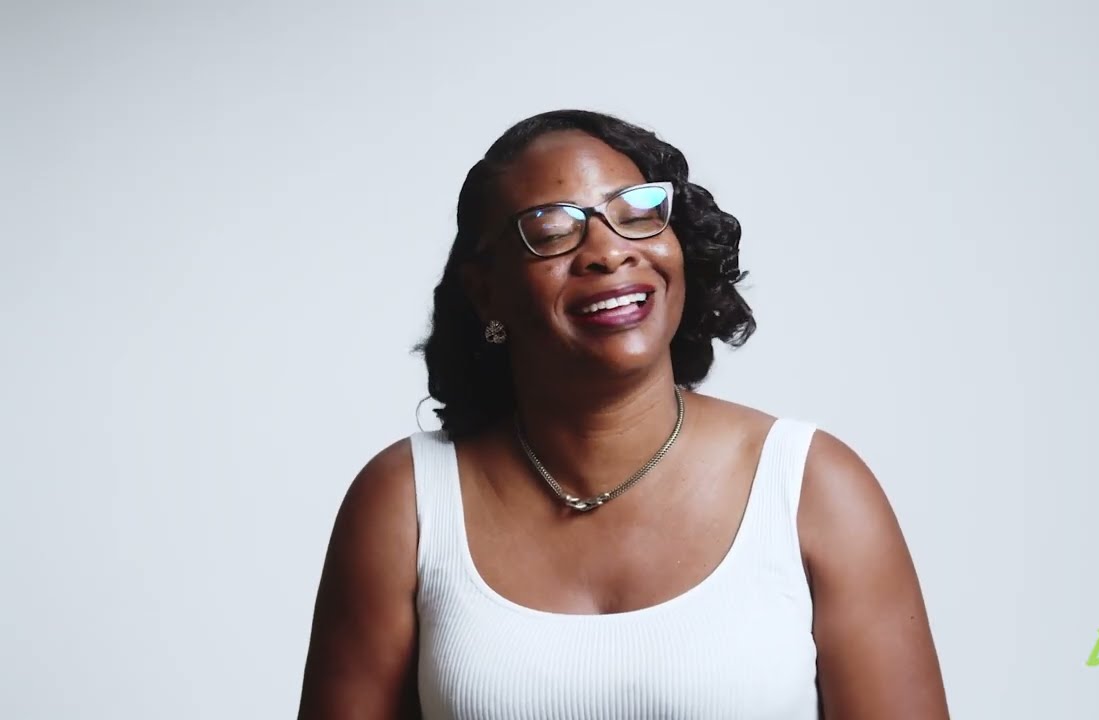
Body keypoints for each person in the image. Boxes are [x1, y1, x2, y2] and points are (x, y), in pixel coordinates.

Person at [298, 109, 949, 719]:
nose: (607, 252)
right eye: (552, 232)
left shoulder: (812, 486)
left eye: (637, 214)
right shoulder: (405, 502)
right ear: (485, 289)